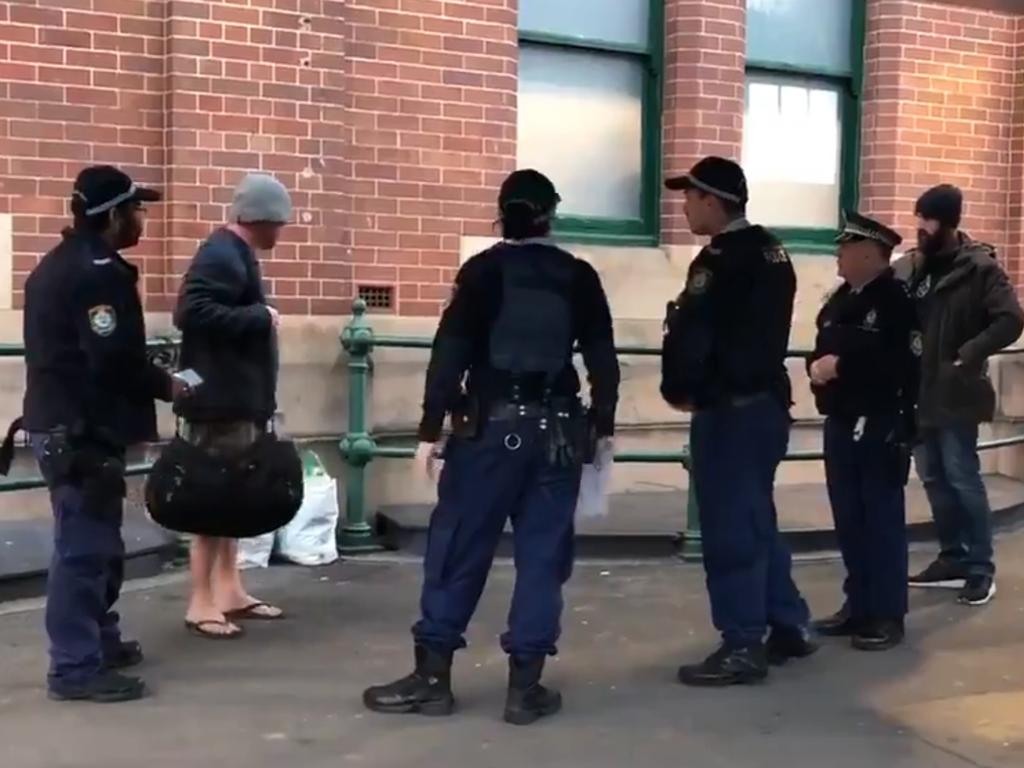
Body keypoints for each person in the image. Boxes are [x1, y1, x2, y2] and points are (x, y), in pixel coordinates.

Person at [362, 169, 620, 725]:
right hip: (557, 433)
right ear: (551, 216)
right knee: (543, 557)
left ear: (502, 217)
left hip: (488, 432)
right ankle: (524, 688)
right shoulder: (578, 276)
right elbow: (603, 357)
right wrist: (602, 425)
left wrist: (430, 430)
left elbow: (449, 352)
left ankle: (433, 678)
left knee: (458, 547)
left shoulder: (482, 273)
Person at [14, 165, 185, 701]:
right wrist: (169, 385)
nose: (141, 221)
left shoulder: (56, 266)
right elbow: (111, 358)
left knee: (100, 544)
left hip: (66, 424)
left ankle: (98, 641)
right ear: (112, 215)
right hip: (78, 430)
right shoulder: (97, 273)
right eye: (136, 210)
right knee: (84, 549)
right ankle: (74, 666)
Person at [661, 156, 815, 687]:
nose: (684, 207)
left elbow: (695, 338)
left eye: (690, 197)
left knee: (729, 528)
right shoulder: (774, 251)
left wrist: (681, 390)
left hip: (730, 410)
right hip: (766, 406)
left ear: (712, 200)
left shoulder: (720, 261)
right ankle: (787, 620)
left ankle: (742, 641)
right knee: (756, 519)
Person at [174, 173, 291, 638]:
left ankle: (228, 589)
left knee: (232, 495)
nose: (281, 232)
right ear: (259, 219)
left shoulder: (233, 253)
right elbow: (191, 311)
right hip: (218, 402)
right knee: (210, 495)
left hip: (236, 400)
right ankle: (201, 600)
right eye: (278, 223)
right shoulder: (222, 255)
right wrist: (258, 317)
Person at [897, 185, 1024, 605]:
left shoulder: (979, 268)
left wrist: (966, 356)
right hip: (917, 391)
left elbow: (1010, 320)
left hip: (955, 392)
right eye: (918, 218)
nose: (920, 227)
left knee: (961, 476)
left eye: (928, 220)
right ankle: (952, 557)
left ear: (949, 223)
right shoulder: (913, 267)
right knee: (932, 476)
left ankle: (980, 567)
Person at [808, 212, 919, 651]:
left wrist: (842, 366)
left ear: (871, 253)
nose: (838, 253)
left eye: (846, 247)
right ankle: (858, 603)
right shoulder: (841, 298)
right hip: (840, 417)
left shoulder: (895, 301)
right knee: (849, 517)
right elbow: (823, 344)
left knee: (881, 518)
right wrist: (816, 369)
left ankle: (887, 612)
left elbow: (903, 364)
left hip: (879, 421)